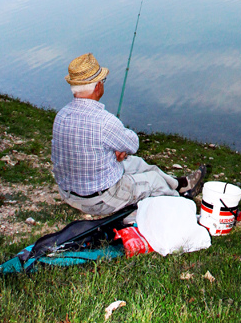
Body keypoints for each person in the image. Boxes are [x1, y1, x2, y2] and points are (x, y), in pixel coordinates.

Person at [52, 53, 207, 218]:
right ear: (97, 86)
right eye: (103, 81)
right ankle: (183, 210)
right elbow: (133, 144)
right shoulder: (105, 121)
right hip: (100, 200)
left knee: (136, 163)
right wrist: (120, 144)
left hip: (69, 193)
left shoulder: (61, 115)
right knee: (153, 180)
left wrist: (115, 148)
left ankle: (180, 184)